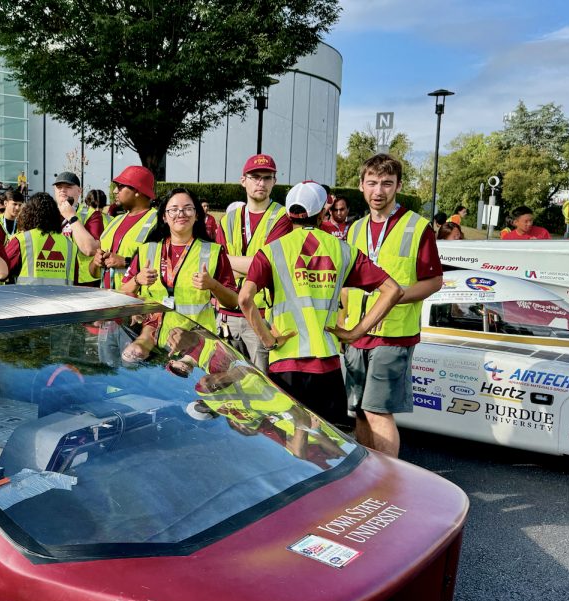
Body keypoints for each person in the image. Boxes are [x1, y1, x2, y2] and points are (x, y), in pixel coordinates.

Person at [237, 180, 402, 426]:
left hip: (286, 362)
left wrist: (268, 339)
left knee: (289, 439)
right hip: (327, 363)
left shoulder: (271, 251)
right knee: (329, 446)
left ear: (289, 212)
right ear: (322, 212)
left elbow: (244, 298)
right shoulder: (343, 250)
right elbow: (393, 290)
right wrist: (355, 332)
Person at [343, 153, 443, 457]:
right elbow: (347, 283)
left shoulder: (417, 227)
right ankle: (365, 475)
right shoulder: (354, 229)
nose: (379, 191)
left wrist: (395, 295)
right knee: (359, 410)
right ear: (361, 185)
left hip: (393, 334)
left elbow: (434, 281)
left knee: (378, 411)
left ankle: (388, 484)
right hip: (356, 333)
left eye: (387, 183)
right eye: (372, 183)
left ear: (398, 185)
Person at [121, 187, 239, 346]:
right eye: (174, 209)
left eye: (188, 209)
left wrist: (213, 285)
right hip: (151, 346)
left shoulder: (213, 252)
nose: (181, 213)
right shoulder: (146, 250)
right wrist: (137, 280)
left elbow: (233, 302)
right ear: (164, 216)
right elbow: (122, 293)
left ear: (197, 215)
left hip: (194, 347)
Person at [215, 154, 293, 371]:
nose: (261, 183)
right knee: (228, 387)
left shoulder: (282, 218)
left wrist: (228, 262)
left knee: (263, 388)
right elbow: (219, 270)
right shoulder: (228, 219)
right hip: (227, 315)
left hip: (261, 315)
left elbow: (268, 267)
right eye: (255, 177)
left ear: (274, 181)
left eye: (267, 177)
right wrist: (250, 266)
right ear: (243, 180)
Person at [93, 165, 159, 291]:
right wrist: (95, 262)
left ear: (137, 191)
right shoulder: (115, 221)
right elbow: (93, 272)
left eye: (120, 187)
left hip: (136, 304)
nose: (115, 191)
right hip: (107, 302)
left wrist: (126, 262)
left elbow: (166, 266)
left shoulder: (159, 222)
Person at [0, 192, 80, 285]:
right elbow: (76, 277)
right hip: (62, 298)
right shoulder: (69, 244)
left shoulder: (21, 240)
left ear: (28, 214)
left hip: (28, 298)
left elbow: (2, 271)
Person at [51, 172, 102, 285]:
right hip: (55, 278)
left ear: (79, 191)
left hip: (83, 282)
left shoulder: (91, 215)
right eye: (59, 187)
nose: (62, 190)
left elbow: (90, 249)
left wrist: (71, 217)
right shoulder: (48, 214)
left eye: (68, 187)